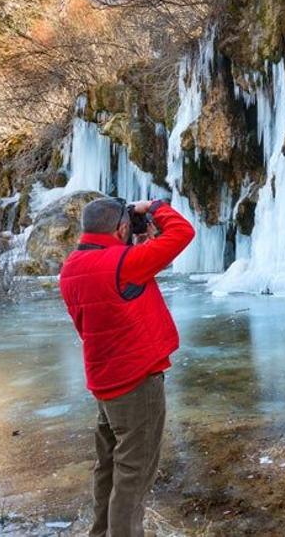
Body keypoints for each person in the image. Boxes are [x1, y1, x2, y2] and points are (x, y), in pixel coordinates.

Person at [58, 197, 194, 537]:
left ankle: (100, 532)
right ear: (121, 228)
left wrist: (140, 244)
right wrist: (156, 207)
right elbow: (182, 232)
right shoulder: (125, 264)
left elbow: (114, 298)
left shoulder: (71, 267)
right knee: (134, 475)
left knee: (108, 468)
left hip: (105, 382)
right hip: (137, 383)